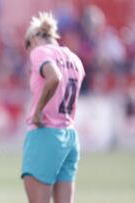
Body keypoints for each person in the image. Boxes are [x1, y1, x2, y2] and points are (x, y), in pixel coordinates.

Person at [21, 12, 85, 203]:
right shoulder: (75, 59)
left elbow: (54, 77)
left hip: (45, 132)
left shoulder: (40, 52)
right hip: (69, 135)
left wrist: (39, 110)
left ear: (33, 38)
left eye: (28, 46)